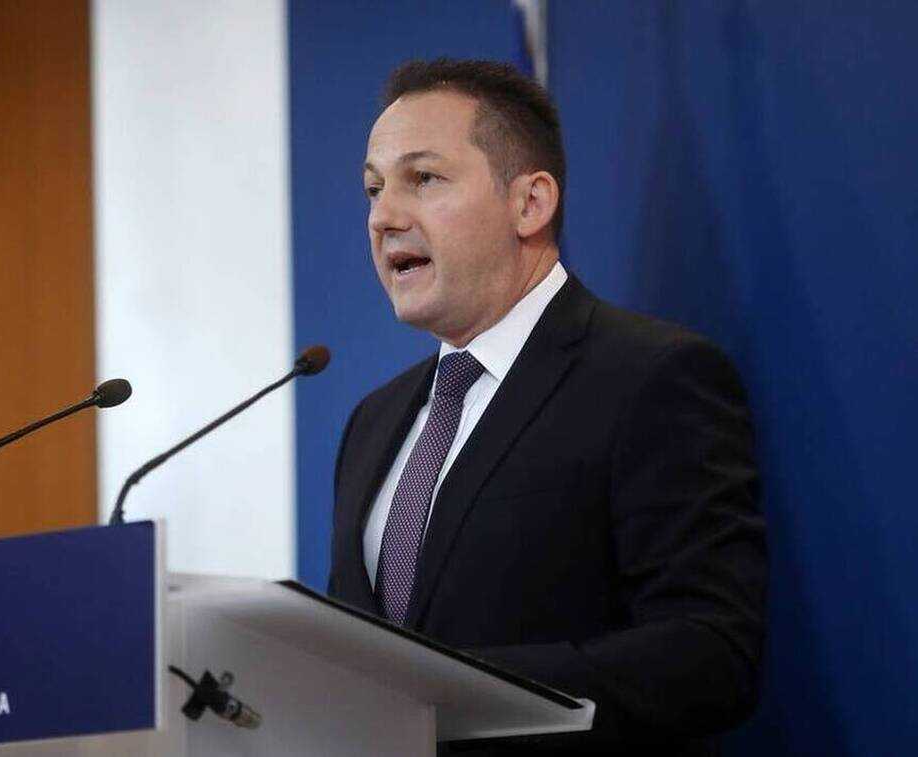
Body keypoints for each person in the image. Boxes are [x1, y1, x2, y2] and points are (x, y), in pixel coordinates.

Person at [328, 59, 767, 756]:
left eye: (424, 179)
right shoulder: (372, 422)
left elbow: (710, 654)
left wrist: (448, 694)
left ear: (529, 203)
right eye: (374, 189)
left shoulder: (651, 378)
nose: (384, 217)